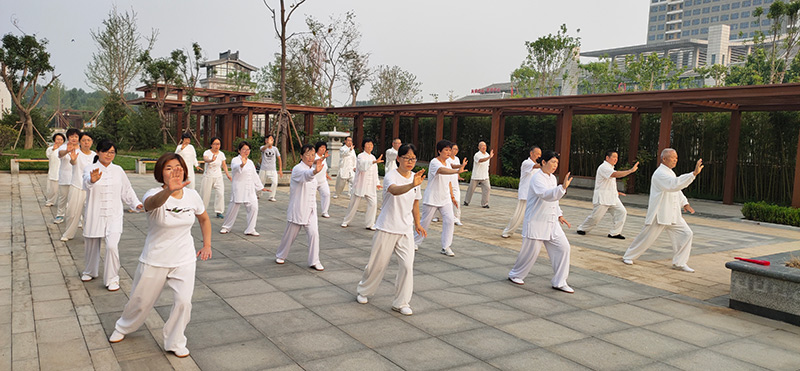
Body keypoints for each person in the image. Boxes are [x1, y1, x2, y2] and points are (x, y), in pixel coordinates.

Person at [108, 153, 212, 359]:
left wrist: (207, 244)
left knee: (184, 302)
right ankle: (123, 326)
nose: (175, 170)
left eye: (178, 166)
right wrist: (169, 192)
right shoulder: (154, 193)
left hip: (184, 258)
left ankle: (175, 340)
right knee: (141, 300)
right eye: (169, 168)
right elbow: (150, 205)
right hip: (155, 258)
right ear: (160, 173)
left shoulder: (192, 196)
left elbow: (204, 219)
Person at [356, 144, 426, 316]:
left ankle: (401, 302)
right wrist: (411, 184)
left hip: (405, 229)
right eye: (407, 158)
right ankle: (363, 291)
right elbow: (394, 191)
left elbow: (415, 202)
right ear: (398, 159)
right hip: (386, 227)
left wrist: (417, 223)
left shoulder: (415, 178)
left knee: (407, 266)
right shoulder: (390, 176)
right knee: (377, 265)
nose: (410, 162)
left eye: (413, 158)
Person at [622, 148, 704, 272]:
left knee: (686, 234)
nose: (675, 160)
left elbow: (677, 189)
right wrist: (693, 174)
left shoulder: (670, 172)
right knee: (646, 237)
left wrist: (685, 203)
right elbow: (674, 184)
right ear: (664, 159)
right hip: (660, 213)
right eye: (673, 158)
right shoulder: (660, 173)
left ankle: (679, 263)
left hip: (673, 214)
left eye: (676, 158)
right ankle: (628, 256)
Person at [508, 151, 574, 293]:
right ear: (543, 162)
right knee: (530, 253)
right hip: (536, 220)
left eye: (557, 163)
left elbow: (554, 200)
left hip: (551, 221)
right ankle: (516, 274)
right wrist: (562, 188)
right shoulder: (537, 178)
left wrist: (559, 215)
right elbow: (545, 195)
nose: (555, 165)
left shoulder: (552, 179)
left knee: (564, 248)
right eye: (553, 162)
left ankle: (560, 281)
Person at [81, 140, 143, 291]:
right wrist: (92, 180)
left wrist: (136, 204)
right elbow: (85, 184)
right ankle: (90, 270)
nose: (109, 155)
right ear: (98, 152)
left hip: (114, 214)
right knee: (91, 244)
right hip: (95, 212)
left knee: (111, 246)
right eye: (105, 151)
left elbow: (126, 189)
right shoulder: (90, 168)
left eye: (112, 152)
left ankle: (112, 278)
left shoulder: (118, 170)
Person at [275, 144, 326, 271]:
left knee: (314, 234)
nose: (310, 157)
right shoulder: (298, 169)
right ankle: (281, 255)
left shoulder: (313, 167)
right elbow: (306, 176)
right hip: (298, 208)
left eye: (312, 154)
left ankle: (314, 260)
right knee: (289, 236)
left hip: (311, 209)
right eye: (307, 154)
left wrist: (315, 168)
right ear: (301, 156)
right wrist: (314, 171)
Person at [414, 140, 467, 257]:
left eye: (450, 150)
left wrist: (452, 196)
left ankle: (446, 246)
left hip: (445, 199)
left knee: (449, 221)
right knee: (425, 222)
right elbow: (442, 171)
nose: (449, 152)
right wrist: (457, 170)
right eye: (446, 150)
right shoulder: (434, 162)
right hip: (432, 198)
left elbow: (448, 178)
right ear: (439, 151)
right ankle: (414, 242)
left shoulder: (448, 163)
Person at [577, 151, 639, 239]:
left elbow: (610, 182)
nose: (616, 159)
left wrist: (616, 192)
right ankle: (582, 228)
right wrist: (630, 171)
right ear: (607, 158)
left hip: (612, 197)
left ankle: (615, 233)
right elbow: (615, 175)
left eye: (617, 157)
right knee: (596, 217)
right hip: (603, 197)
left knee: (621, 212)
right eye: (614, 157)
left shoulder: (611, 168)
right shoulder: (603, 167)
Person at [220, 141, 266, 236]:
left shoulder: (250, 162)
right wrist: (242, 164)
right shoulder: (235, 160)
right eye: (244, 149)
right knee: (233, 208)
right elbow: (236, 168)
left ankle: (250, 229)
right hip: (239, 188)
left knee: (254, 207)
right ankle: (226, 227)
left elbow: (254, 175)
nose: (246, 151)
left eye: (248, 149)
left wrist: (261, 187)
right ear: (239, 150)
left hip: (250, 189)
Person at [341, 138, 382, 229]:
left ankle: (370, 224)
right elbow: (362, 166)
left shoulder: (373, 157)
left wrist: (377, 183)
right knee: (354, 204)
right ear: (364, 146)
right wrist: (373, 162)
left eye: (371, 145)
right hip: (361, 184)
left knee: (373, 204)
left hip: (370, 185)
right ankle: (346, 221)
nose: (370, 146)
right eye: (368, 144)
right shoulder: (360, 156)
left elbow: (375, 172)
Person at [61, 132, 95, 241]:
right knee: (72, 213)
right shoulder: (75, 152)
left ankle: (90, 234)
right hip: (77, 185)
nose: (86, 142)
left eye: (88, 140)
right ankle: (68, 234)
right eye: (84, 140)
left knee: (91, 213)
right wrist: (73, 159)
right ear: (80, 142)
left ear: (92, 142)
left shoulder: (95, 155)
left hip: (91, 188)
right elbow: (73, 162)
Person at [502, 146, 542, 238]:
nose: (539, 156)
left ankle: (532, 233)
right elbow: (537, 166)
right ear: (531, 153)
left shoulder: (539, 167)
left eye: (540, 154)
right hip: (525, 194)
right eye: (537, 154)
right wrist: (549, 160)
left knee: (535, 215)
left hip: (535, 195)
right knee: (519, 215)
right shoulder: (526, 163)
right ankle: (508, 231)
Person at [200, 137, 232, 219]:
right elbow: (205, 159)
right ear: (211, 145)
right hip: (208, 176)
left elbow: (224, 165)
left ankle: (219, 211)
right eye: (215, 144)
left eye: (218, 144)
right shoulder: (207, 152)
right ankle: (202, 211)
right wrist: (211, 160)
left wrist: (227, 174)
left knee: (220, 194)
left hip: (218, 176)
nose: (217, 146)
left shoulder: (221, 154)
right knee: (205, 195)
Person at [55, 128, 80, 223]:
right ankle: (60, 215)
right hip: (65, 177)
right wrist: (67, 151)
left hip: (77, 178)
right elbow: (60, 154)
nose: (74, 138)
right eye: (72, 136)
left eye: (76, 136)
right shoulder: (63, 147)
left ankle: (77, 217)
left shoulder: (81, 148)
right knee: (63, 197)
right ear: (68, 137)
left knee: (76, 200)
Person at [464, 141, 494, 208]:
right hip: (476, 176)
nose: (484, 147)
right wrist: (489, 157)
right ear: (479, 147)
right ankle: (466, 201)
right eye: (482, 146)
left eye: (485, 146)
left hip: (485, 176)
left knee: (487, 188)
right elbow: (481, 160)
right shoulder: (477, 155)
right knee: (471, 189)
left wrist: (488, 157)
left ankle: (485, 204)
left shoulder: (487, 154)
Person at [259, 134, 282, 201]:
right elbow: (263, 149)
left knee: (275, 182)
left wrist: (280, 169)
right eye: (269, 139)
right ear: (266, 141)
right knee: (260, 183)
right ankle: (258, 194)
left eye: (272, 139)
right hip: (263, 169)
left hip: (273, 169)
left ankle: (271, 196)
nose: (271, 140)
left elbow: (279, 158)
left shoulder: (275, 149)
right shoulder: (263, 147)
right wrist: (268, 144)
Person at [45, 133, 65, 207]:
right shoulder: (50, 149)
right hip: (54, 171)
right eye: (58, 139)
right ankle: (50, 201)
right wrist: (54, 149)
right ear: (54, 140)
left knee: (64, 190)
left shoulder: (65, 149)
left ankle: (65, 202)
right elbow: (48, 155)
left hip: (64, 172)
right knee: (52, 189)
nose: (59, 141)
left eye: (61, 139)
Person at [313, 141, 333, 218]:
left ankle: (325, 211)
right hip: (314, 180)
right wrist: (323, 157)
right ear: (317, 148)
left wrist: (327, 175)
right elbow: (315, 162)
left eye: (324, 148)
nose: (323, 149)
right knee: (312, 196)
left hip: (322, 180)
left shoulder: (324, 157)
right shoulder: (314, 156)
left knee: (326, 194)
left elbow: (324, 168)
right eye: (321, 147)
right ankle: (311, 210)